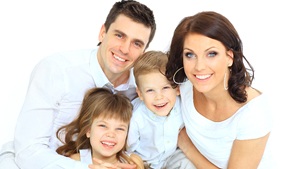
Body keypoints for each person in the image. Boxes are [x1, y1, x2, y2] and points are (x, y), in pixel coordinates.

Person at [0, 0, 156, 168]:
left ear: (144, 52)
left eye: (137, 43)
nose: (125, 49)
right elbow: (28, 151)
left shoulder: (143, 89)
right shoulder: (57, 70)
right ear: (102, 33)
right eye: (119, 35)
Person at [165, 11, 273, 169]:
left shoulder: (253, 114)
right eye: (190, 55)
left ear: (230, 57)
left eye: (211, 54)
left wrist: (187, 146)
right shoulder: (185, 86)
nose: (199, 66)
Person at [127, 51, 196, 169]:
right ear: (140, 94)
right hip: (145, 162)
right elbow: (127, 149)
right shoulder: (136, 117)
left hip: (171, 156)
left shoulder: (182, 105)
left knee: (189, 164)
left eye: (165, 88)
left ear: (177, 89)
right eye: (150, 90)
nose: (159, 97)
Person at [56, 87, 144, 169]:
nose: (111, 134)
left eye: (120, 129)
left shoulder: (132, 162)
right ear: (88, 130)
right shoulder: (76, 161)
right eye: (103, 126)